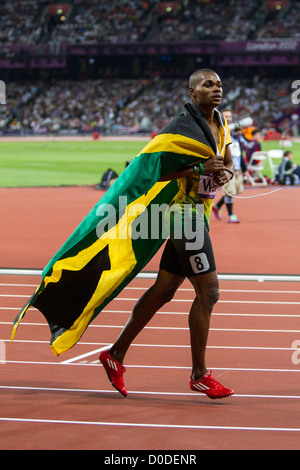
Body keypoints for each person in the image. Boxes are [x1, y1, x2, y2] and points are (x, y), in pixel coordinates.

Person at [100, 68, 234, 400]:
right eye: (207, 84)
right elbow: (152, 170)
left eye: (218, 84)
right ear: (192, 92)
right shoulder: (181, 127)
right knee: (210, 292)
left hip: (197, 211)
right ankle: (199, 375)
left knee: (164, 290)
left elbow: (227, 165)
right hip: (180, 213)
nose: (215, 89)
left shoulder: (221, 124)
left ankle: (115, 355)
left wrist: (221, 175)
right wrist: (200, 169)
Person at [213, 110, 247, 223]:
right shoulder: (219, 130)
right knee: (230, 192)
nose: (228, 118)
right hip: (226, 167)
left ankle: (217, 206)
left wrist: (244, 168)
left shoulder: (236, 134)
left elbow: (241, 149)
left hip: (237, 168)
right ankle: (230, 215)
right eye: (225, 116)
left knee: (236, 191)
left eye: (230, 116)